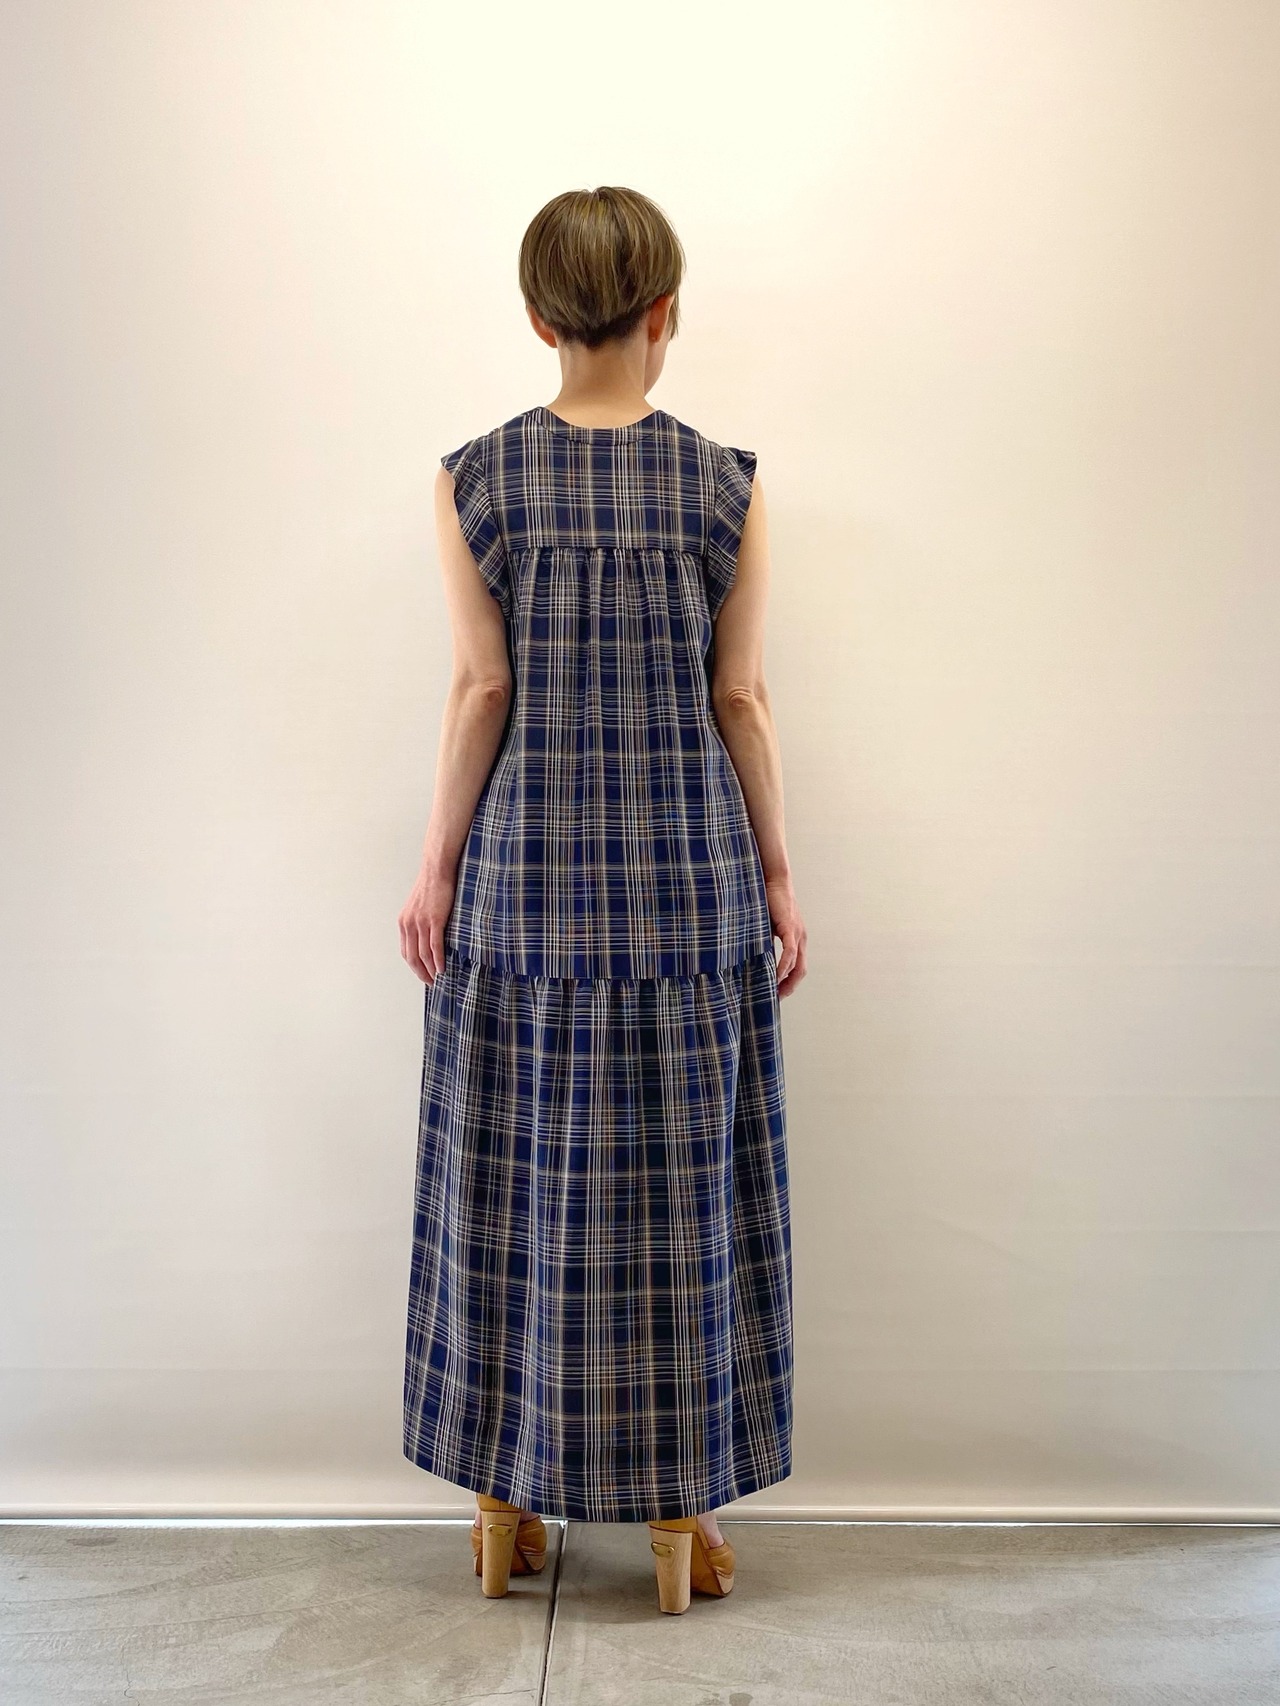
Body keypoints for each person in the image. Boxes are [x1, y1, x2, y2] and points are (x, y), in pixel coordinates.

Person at [398, 185, 807, 1616]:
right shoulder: (725, 487)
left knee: (510, 1193)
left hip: (526, 898)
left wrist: (437, 865)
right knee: (681, 1200)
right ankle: (683, 1511)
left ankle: (502, 1501)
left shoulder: (475, 482)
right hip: (688, 897)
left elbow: (482, 689)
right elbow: (741, 697)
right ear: (664, 312)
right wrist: (777, 870)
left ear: (538, 319)